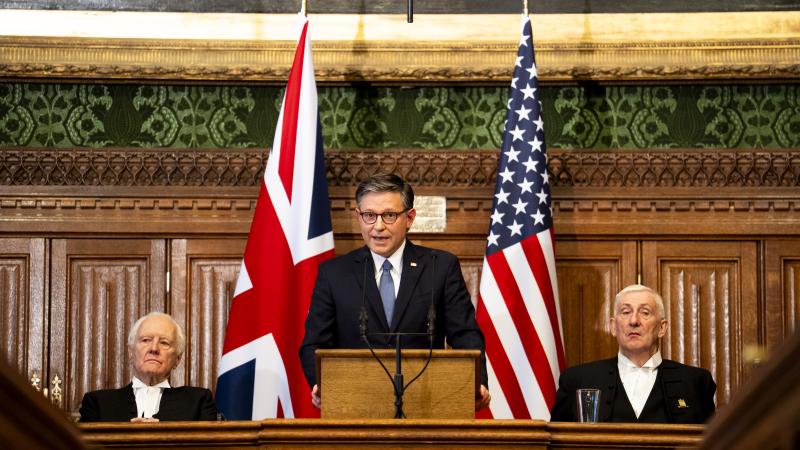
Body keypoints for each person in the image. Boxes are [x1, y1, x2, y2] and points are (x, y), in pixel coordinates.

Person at [299, 173, 490, 410]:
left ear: (409, 218)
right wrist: (323, 385)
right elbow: (314, 344)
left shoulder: (440, 267)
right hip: (354, 404)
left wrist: (476, 384)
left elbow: (465, 335)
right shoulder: (334, 273)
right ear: (358, 216)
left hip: (427, 402)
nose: (378, 226)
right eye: (369, 215)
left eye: (389, 215)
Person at [550, 284, 716, 423]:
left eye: (645, 312)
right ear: (613, 327)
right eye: (625, 312)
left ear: (662, 327)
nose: (634, 321)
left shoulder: (696, 382)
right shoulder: (577, 380)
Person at [79, 312, 218, 422]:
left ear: (177, 359)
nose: (154, 349)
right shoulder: (98, 403)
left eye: (164, 343)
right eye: (145, 340)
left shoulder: (198, 401)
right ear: (131, 352)